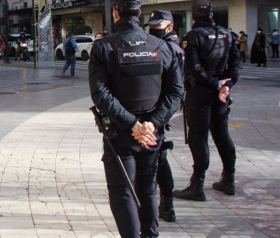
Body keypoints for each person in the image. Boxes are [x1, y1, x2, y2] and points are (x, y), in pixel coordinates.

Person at [89, 0, 184, 236]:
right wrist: (152, 123)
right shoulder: (162, 46)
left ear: (115, 12)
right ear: (140, 13)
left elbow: (101, 95)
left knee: (123, 191)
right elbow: (176, 93)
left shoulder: (104, 47)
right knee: (148, 190)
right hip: (152, 133)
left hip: (123, 133)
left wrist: (134, 124)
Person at [173, 0, 241, 202]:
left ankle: (197, 185)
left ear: (193, 17)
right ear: (212, 15)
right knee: (222, 135)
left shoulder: (193, 36)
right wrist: (226, 85)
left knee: (199, 137)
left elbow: (193, 68)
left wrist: (215, 83)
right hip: (221, 94)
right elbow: (236, 64)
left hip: (201, 92)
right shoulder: (227, 34)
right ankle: (229, 178)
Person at [144, 9, 185, 223]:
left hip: (160, 111)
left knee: (159, 159)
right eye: (150, 26)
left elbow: (174, 88)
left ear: (169, 26)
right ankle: (165, 204)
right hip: (158, 110)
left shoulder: (171, 49)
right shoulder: (163, 45)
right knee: (158, 158)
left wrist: (157, 118)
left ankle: (166, 204)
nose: (152, 30)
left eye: (156, 26)